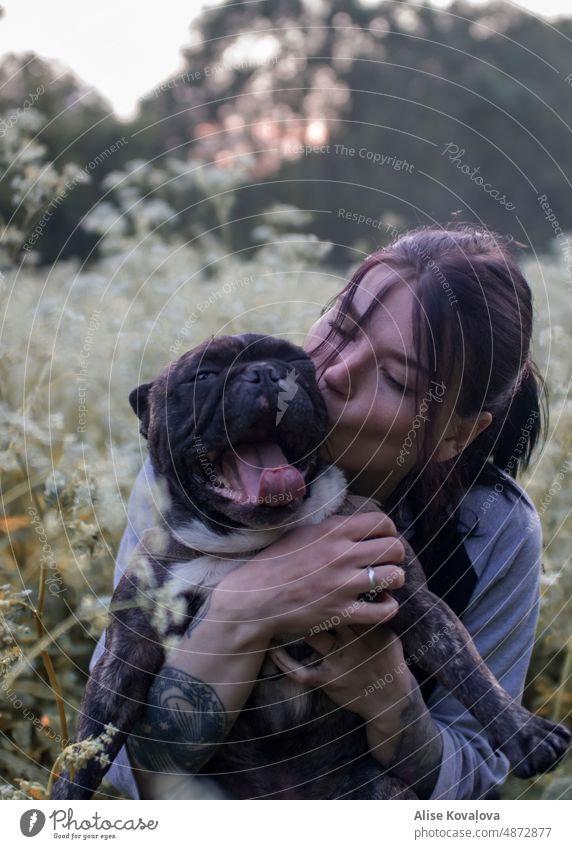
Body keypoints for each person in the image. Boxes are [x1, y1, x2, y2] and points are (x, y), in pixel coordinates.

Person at [90, 223, 545, 800]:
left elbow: (482, 770)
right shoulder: (200, 465)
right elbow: (124, 764)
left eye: (395, 377)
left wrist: (392, 701)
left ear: (458, 433)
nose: (333, 372)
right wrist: (243, 611)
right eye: (340, 328)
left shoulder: (493, 527)